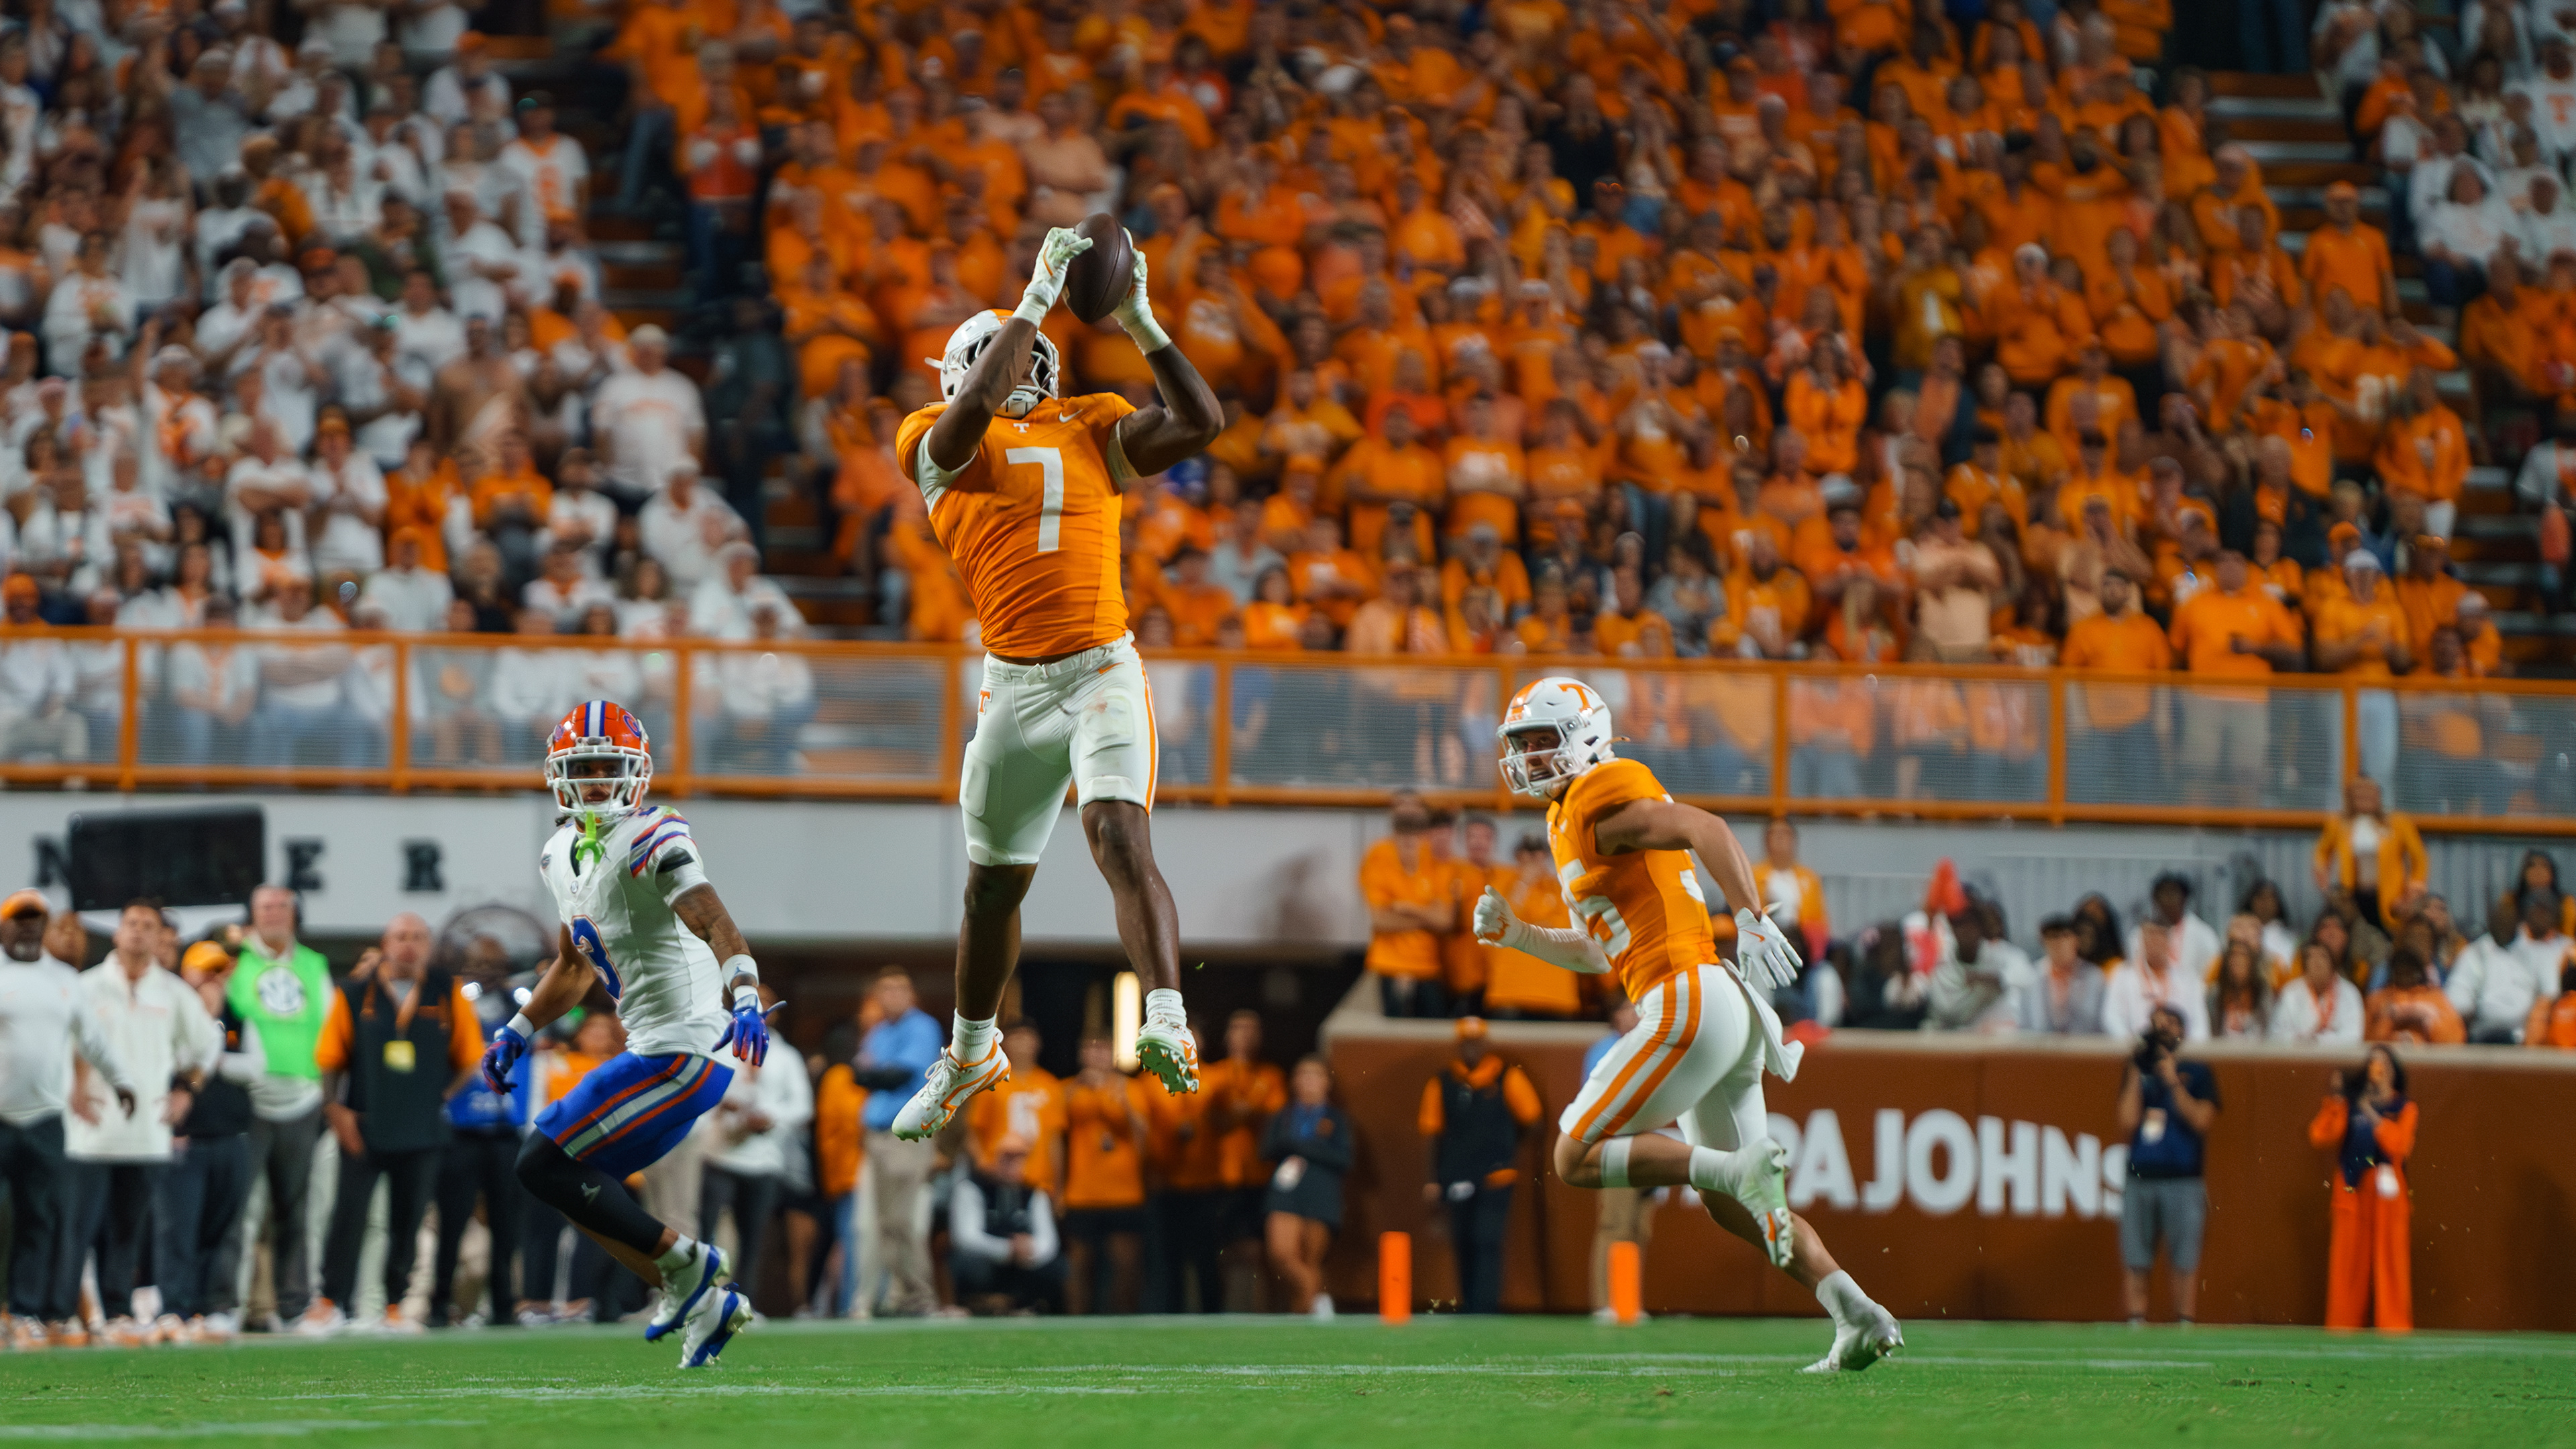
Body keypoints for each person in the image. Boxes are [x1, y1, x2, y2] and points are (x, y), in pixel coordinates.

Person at [886, 225, 1224, 1143]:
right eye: (1010, 359)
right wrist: (1033, 301)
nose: (1025, 372)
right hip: (1013, 689)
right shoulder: (932, 437)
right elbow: (965, 422)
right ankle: (971, 1053)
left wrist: (1143, 322)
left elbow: (1200, 423)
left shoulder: (1091, 425)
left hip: (1101, 666)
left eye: (1032, 357)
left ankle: (1166, 1017)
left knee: (1117, 831)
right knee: (989, 892)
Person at [1470, 676, 1904, 1371]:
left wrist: (1751, 915)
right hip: (1716, 1005)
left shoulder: (1597, 791)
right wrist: (1519, 934)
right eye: (1521, 745)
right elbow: (1598, 950)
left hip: (1687, 998)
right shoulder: (1568, 817)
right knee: (1737, 1208)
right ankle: (1855, 1312)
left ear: (1585, 737)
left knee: (1575, 1156)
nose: (1528, 757)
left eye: (1542, 741)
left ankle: (1736, 1169)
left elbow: (1708, 828)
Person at [478, 699, 778, 1368]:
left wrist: (746, 994)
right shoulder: (559, 854)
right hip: (658, 1053)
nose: (594, 782)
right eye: (582, 768)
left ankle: (690, 1264)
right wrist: (518, 1029)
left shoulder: (654, 836)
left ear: (635, 772)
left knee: (540, 1163)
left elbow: (715, 921)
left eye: (606, 767)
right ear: (559, 775)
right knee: (580, 1191)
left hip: (682, 1052)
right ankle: (704, 1301)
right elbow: (573, 966)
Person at [307, 913, 482, 1335]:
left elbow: (470, 1058)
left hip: (421, 1130)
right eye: (401, 936)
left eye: (418, 937)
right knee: (348, 1217)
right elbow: (330, 1058)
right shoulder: (354, 992)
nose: (409, 944)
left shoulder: (447, 992)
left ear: (429, 945)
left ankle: (393, 1307)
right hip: (363, 1125)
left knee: (408, 1220)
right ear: (386, 943)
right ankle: (330, 1303)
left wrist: (439, 1097)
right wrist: (335, 1111)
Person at [60, 901, 221, 1347]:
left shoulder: (171, 992)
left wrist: (187, 1090)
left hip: (146, 1131)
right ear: (117, 933)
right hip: (90, 1130)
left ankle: (117, 1313)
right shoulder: (87, 986)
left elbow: (208, 1042)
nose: (137, 932)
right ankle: (62, 1316)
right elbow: (60, 1041)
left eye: (147, 926)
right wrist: (72, 1087)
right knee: (76, 1228)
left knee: (127, 1231)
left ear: (159, 938)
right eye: (130, 924)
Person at [0, 891, 134, 1349]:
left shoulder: (63, 980)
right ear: (4, 926)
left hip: (44, 1118)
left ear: (44, 926)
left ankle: (24, 1312)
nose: (27, 927)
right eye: (19, 919)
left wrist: (121, 1080)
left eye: (35, 919)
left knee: (39, 1218)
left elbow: (92, 1038)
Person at [228, 883, 335, 1334]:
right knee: (241, 1209)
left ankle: (294, 1307)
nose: (273, 914)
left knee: (296, 1209)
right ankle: (229, 1307)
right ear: (252, 914)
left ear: (294, 914)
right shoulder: (232, 961)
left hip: (304, 1097)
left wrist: (329, 1097)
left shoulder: (314, 965)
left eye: (281, 906)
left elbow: (331, 1031)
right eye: (265, 907)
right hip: (248, 1097)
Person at [164, 941, 262, 1342]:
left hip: (232, 1136)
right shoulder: (172, 1017)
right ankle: (176, 1308)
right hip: (186, 1139)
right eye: (205, 972)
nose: (214, 981)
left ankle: (214, 1307)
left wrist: (211, 1058)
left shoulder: (239, 1016)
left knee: (223, 1230)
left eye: (220, 972)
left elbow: (256, 1067)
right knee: (180, 1229)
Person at [1415, 1018, 1541, 1316]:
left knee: (1487, 1240)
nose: (1472, 1048)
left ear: (1486, 1043)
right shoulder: (1443, 1081)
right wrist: (1433, 1179)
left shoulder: (1506, 1076)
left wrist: (1504, 1146)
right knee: (1463, 1241)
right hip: (1457, 1175)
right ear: (1459, 1045)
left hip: (1496, 1175)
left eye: (1477, 1042)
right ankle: (1470, 1306)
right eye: (1467, 1042)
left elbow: (1534, 1119)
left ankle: (1485, 1308)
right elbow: (1432, 1132)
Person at [700, 985, 810, 1315]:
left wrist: (770, 1117)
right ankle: (701, 1300)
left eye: (765, 1003)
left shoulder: (786, 1057)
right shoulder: (720, 1045)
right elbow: (703, 1089)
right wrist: (725, 1104)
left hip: (764, 1158)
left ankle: (743, 1302)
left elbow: (802, 1107)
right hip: (720, 1154)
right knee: (708, 1234)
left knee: (754, 1237)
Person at [2115, 1003, 2219, 1326]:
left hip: (2183, 1177)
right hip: (2141, 1175)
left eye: (2171, 1024)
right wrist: (2137, 1069)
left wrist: (2173, 1081)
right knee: (2136, 1257)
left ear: (2183, 1031)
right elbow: (2127, 1120)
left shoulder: (2197, 1071)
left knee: (2184, 1259)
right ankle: (2135, 1320)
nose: (2164, 1031)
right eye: (2158, 1025)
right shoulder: (2139, 1069)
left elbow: (2202, 1119)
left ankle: (2184, 1320)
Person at [850, 967, 942, 1316]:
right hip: (876, 1135)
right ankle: (899, 1296)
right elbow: (859, 1074)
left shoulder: (922, 1026)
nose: (892, 996)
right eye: (885, 990)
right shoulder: (879, 1031)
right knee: (883, 1223)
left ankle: (920, 1296)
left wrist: (874, 1072)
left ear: (911, 995)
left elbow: (898, 1074)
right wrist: (874, 1073)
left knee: (903, 1221)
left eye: (899, 989)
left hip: (906, 1135)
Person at [2308, 1045, 2416, 1331]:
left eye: (2384, 1065)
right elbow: (2321, 1136)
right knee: (2348, 1262)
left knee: (2391, 1261)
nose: (2377, 1071)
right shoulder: (2351, 1104)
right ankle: (2343, 1325)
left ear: (2393, 1072)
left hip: (2387, 1191)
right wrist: (2336, 1098)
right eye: (2373, 1064)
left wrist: (2373, 1113)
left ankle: (2393, 1327)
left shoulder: (2404, 1108)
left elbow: (2399, 1145)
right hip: (2352, 1187)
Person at [1059, 1032, 1150, 1316]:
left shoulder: (1131, 1088)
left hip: (1124, 1193)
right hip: (1081, 1194)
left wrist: (1120, 1099)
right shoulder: (1068, 1089)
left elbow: (1143, 1136)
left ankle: (1123, 1326)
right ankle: (1077, 1326)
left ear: (1112, 1055)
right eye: (1090, 1049)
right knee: (1078, 1266)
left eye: (1102, 1049)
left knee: (1126, 1267)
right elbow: (1054, 1136)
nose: (1096, 1055)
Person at [1582, 996, 1657, 1318]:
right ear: (1614, 1016)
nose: (1636, 1016)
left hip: (1645, 1143)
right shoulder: (1604, 1050)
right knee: (1615, 1224)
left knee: (1639, 1228)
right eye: (1629, 1009)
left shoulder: (1651, 1048)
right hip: (1614, 1144)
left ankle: (1627, 1301)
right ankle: (1605, 1302)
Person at [1261, 1055, 1350, 1320]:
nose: (1309, 1081)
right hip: (1286, 1191)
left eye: (1315, 1075)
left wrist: (1300, 1147)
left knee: (1312, 1259)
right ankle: (1318, 1300)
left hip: (1320, 1192)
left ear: (1326, 1082)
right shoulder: (1284, 1115)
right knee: (1282, 1254)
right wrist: (1304, 1147)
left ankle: (1302, 1318)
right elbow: (1267, 1149)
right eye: (1303, 1074)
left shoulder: (1336, 1119)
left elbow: (1345, 1159)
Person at [1359, 791, 1458, 1018]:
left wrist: (1407, 908)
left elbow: (1445, 921)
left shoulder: (1436, 858)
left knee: (1432, 1032)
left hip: (1430, 966)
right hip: (1390, 965)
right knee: (1395, 1033)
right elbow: (1381, 920)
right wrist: (1428, 917)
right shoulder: (1379, 855)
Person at [949, 1134, 1063, 1314]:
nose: (1013, 1164)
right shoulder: (972, 1188)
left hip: (1023, 1262)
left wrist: (1030, 1250)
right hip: (989, 1259)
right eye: (1007, 1158)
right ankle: (979, 1306)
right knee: (967, 1264)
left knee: (1056, 1267)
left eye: (1019, 1158)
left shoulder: (1034, 1193)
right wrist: (1007, 1249)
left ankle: (1030, 1306)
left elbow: (1049, 1241)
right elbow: (966, 1237)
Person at [2314, 777, 2427, 932]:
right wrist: (2325, 885)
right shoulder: (2339, 824)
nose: (2364, 798)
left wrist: (2412, 891)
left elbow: (2419, 858)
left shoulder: (2398, 823)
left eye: (2369, 794)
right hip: (2352, 896)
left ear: (2378, 796)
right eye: (2359, 794)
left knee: (2389, 935)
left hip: (2389, 897)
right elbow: (2322, 853)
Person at [2446, 896, 2559, 1044]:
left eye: (2510, 916)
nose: (2505, 920)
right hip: (2480, 1037)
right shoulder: (2475, 952)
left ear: (2520, 921)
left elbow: (2550, 995)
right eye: (2500, 915)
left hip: (2523, 1040)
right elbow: (2458, 1000)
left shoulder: (2539, 953)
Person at [2103, 919, 2214, 1042]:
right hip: (2138, 1048)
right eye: (2151, 936)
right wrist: (2136, 1047)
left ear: (2169, 941)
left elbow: (2199, 1026)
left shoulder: (2188, 979)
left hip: (2180, 1049)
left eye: (2161, 936)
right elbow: (2112, 1018)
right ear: (2143, 940)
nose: (2156, 942)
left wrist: (2183, 1050)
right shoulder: (2124, 976)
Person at [2015, 916, 2107, 1034]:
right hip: (2041, 1044)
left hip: (2085, 1043)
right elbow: (2024, 1024)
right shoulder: (2032, 977)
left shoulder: (2093, 976)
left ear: (2076, 940)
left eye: (2064, 936)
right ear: (2043, 942)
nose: (2058, 944)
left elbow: (2102, 1021)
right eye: (2052, 937)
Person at [2273, 941, 2367, 1045]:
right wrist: (2304, 1041)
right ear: (2304, 966)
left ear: (2333, 964)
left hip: (2336, 1055)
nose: (2316, 961)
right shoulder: (2291, 991)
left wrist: (2321, 1040)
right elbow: (2277, 1034)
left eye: (2322, 956)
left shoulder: (2350, 993)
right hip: (2298, 1054)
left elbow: (2354, 1035)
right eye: (2310, 957)